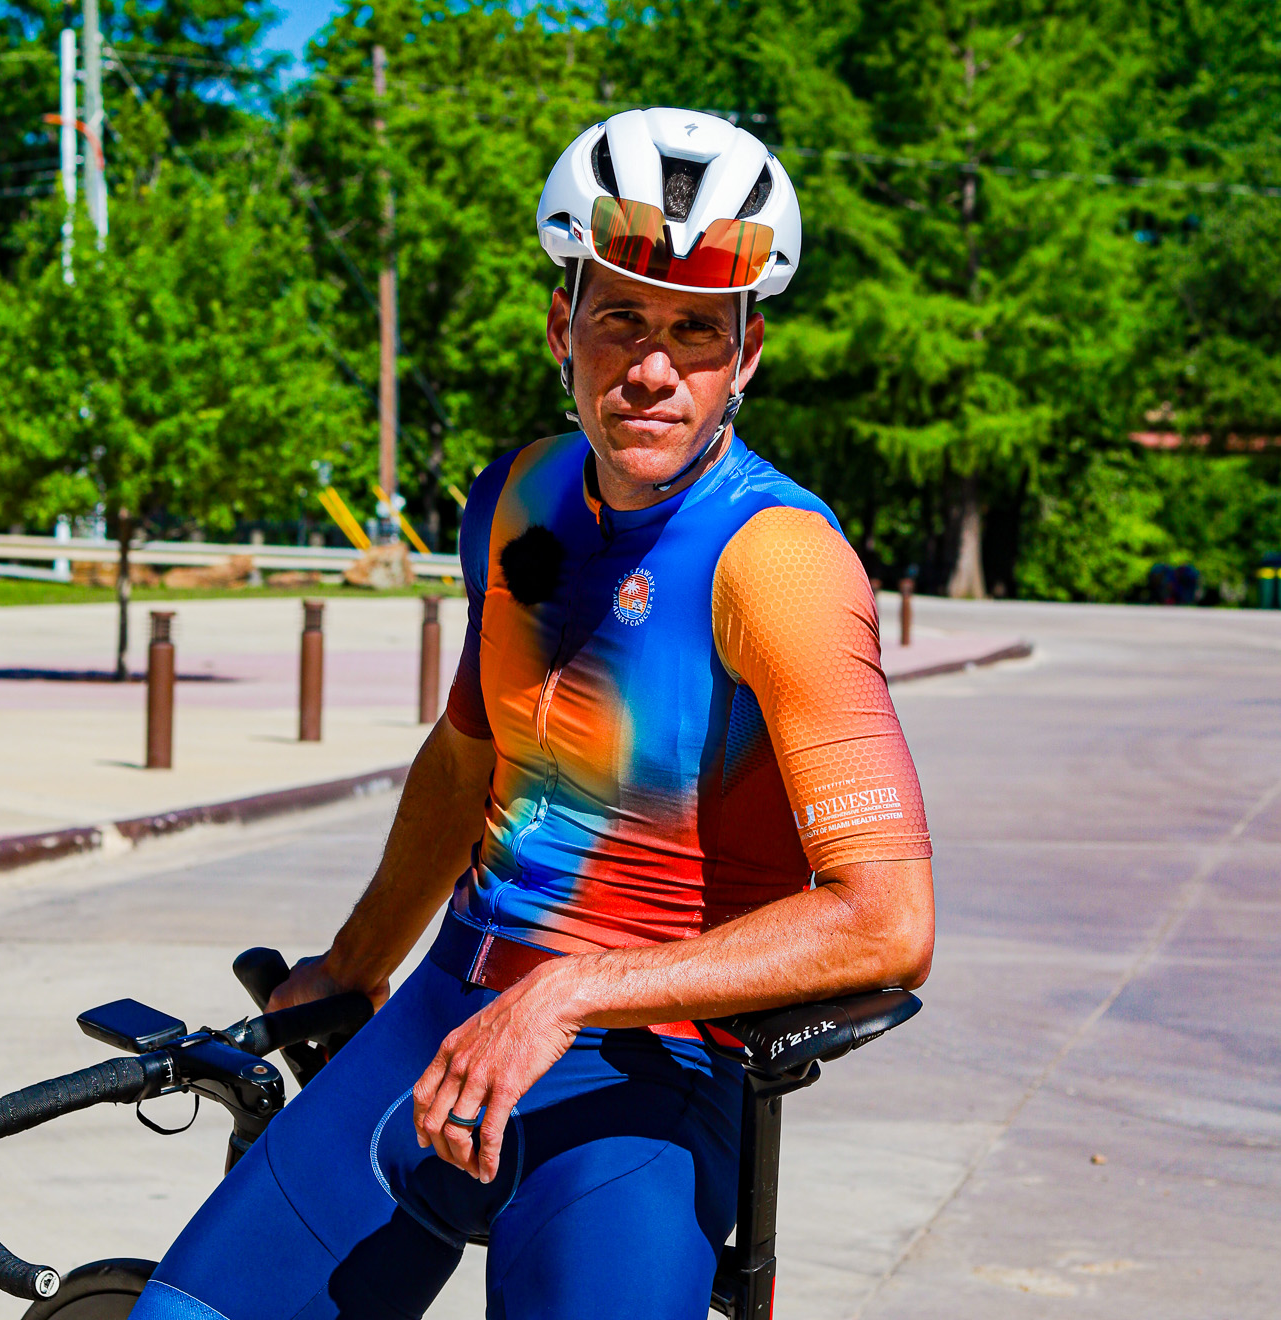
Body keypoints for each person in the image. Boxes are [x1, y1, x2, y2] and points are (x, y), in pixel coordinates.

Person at [133, 107, 934, 1320]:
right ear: (564, 325)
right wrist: (352, 965)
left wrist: (569, 989)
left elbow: (887, 917)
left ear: (747, 353)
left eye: (695, 331)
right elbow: (469, 761)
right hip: (447, 1006)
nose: (653, 367)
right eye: (622, 319)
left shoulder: (779, 563)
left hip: (651, 1060)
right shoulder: (514, 496)